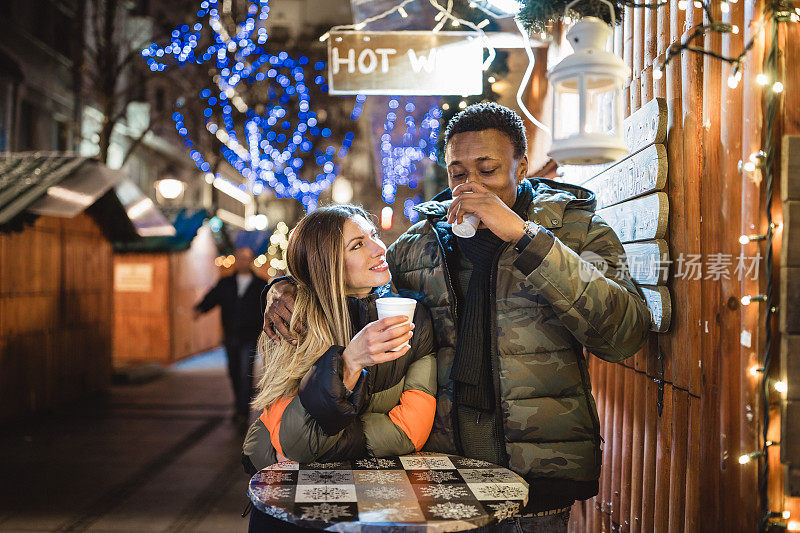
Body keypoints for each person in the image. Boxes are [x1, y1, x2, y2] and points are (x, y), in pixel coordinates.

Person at [263, 103, 651, 532]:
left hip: (539, 479)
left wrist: (525, 237)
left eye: (488, 170)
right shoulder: (419, 245)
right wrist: (284, 289)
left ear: (521, 167)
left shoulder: (577, 232)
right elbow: (349, 281)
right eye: (458, 174)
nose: (471, 187)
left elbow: (624, 334)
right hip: (438, 481)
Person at [242, 205, 437, 531]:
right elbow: (294, 444)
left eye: (373, 236)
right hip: (293, 511)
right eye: (357, 245)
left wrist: (329, 442)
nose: (379, 248)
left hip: (377, 506)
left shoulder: (412, 317)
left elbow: (410, 432)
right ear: (327, 265)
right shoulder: (291, 320)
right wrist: (348, 362)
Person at [194, 247, 267, 423]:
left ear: (251, 261)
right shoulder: (225, 283)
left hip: (249, 336)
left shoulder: (260, 285)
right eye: (240, 258)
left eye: (246, 258)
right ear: (236, 260)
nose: (243, 261)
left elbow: (267, 309)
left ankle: (243, 412)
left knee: (245, 374)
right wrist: (200, 308)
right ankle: (238, 405)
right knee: (234, 372)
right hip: (230, 335)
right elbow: (212, 298)